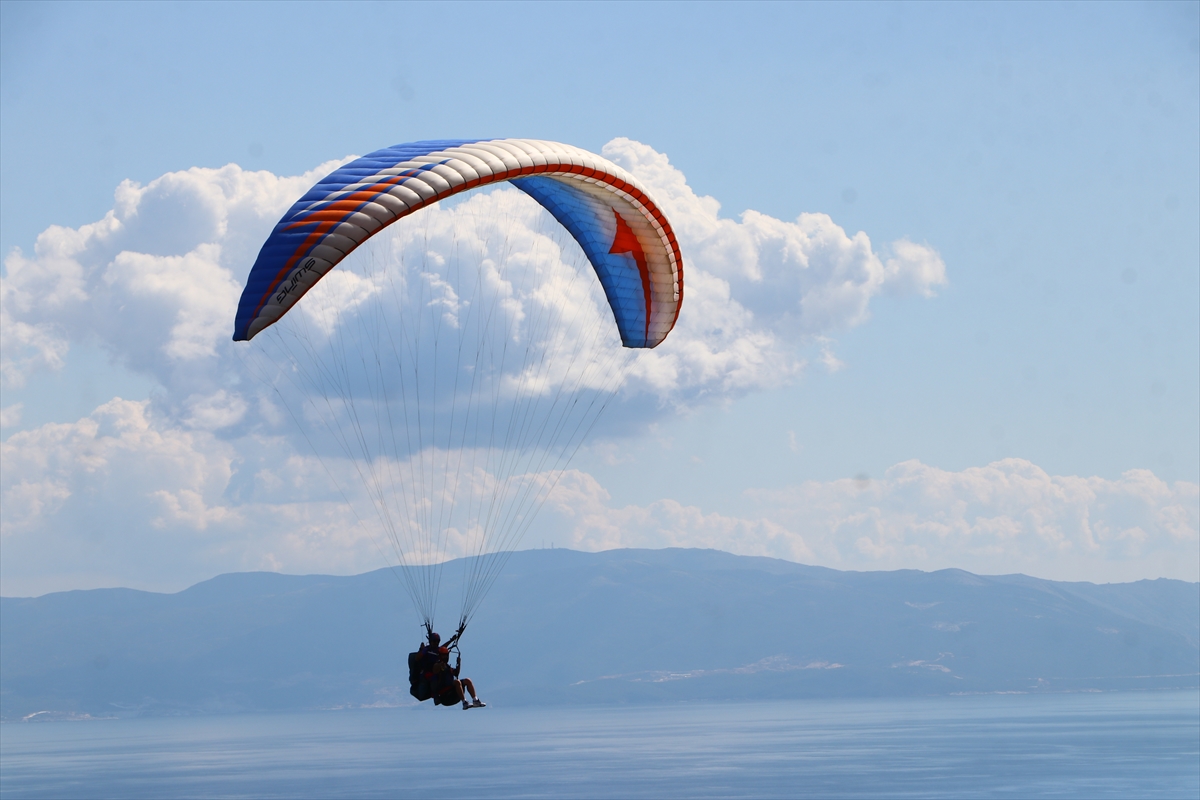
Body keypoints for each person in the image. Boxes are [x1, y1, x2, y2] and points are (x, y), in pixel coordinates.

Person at [417, 632, 485, 710]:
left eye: (446, 655)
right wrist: (423, 650)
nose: (445, 657)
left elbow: (456, 673)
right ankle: (464, 702)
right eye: (443, 655)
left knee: (468, 680)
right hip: (444, 693)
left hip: (451, 689)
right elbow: (435, 671)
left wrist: (458, 664)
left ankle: (475, 700)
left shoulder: (447, 666)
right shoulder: (436, 664)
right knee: (457, 682)